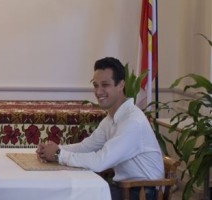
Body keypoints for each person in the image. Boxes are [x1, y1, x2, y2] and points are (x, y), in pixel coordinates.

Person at [36, 57, 164, 200]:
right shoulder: (111, 118)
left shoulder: (133, 121)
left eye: (105, 85)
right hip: (125, 188)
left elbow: (100, 162)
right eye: (96, 85)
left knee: (74, 194)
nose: (98, 91)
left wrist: (59, 154)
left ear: (121, 85)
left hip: (142, 193)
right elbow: (87, 146)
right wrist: (56, 149)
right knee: (69, 191)